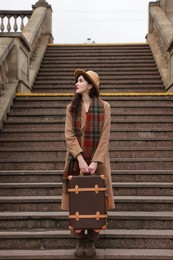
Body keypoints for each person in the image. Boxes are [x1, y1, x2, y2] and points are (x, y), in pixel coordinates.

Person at [61, 69, 115, 258]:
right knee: (76, 200)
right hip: (76, 159)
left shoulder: (105, 107)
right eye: (76, 80)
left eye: (81, 80)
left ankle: (91, 242)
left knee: (96, 200)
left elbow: (105, 136)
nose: (76, 83)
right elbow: (69, 135)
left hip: (98, 161)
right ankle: (78, 240)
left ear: (90, 85)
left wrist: (94, 162)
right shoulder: (71, 108)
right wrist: (81, 159)